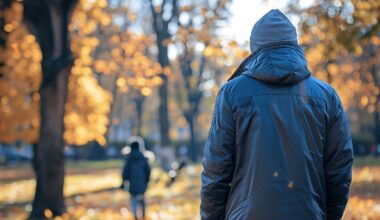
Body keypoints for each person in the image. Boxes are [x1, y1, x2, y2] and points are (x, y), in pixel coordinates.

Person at [200, 9, 353, 220]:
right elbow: (339, 171)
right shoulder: (327, 96)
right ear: (294, 45)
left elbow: (216, 171)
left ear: (255, 49)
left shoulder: (232, 93)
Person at [121, 140, 151, 220]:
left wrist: (124, 182)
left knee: (133, 198)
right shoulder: (144, 158)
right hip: (142, 182)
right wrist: (147, 181)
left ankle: (135, 215)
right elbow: (148, 171)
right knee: (142, 198)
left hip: (132, 183)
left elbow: (125, 172)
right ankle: (143, 214)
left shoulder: (129, 158)